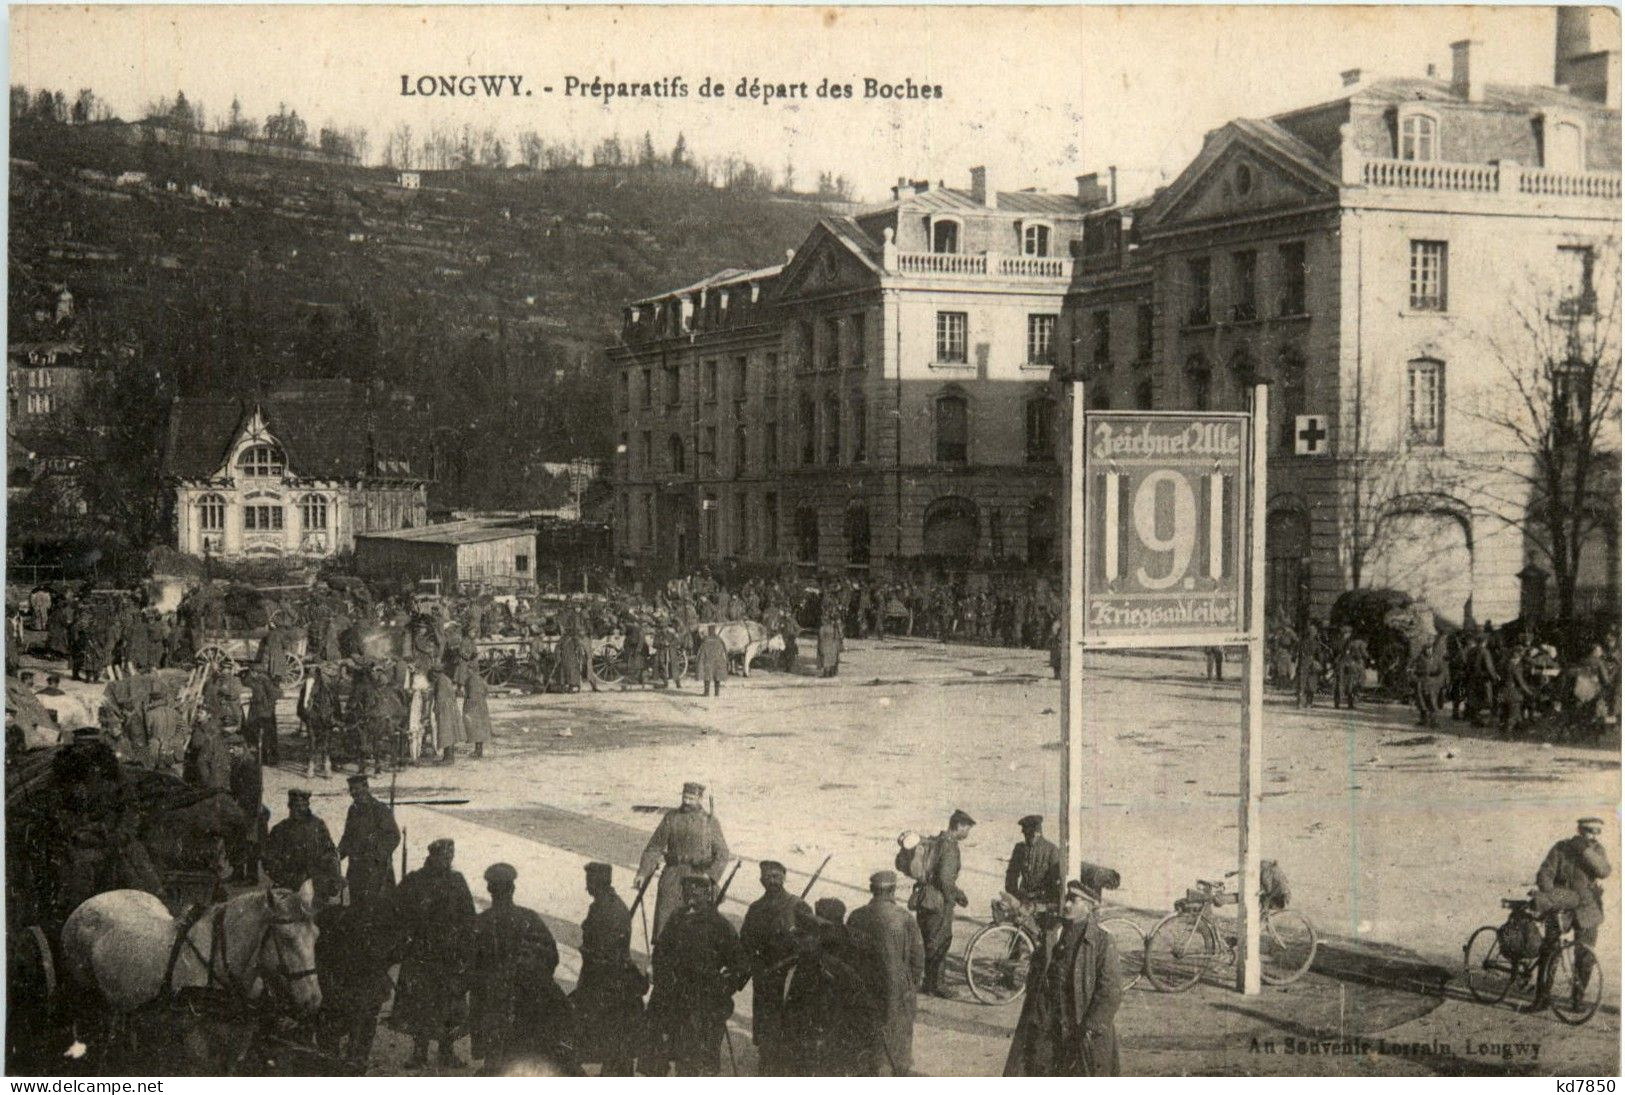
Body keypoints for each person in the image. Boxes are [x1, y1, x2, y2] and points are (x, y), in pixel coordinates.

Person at [1003, 871, 1123, 1076]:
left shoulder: (1103, 942)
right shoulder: (1054, 932)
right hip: (1048, 1027)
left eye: (1074, 900)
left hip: (1081, 1030)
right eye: (1067, 898)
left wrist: (1092, 1027)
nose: (1067, 904)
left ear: (1089, 905)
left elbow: (1110, 991)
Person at [469, 862, 575, 1075]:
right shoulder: (529, 918)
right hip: (526, 1003)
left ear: (490, 889)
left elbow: (470, 966)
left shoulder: (481, 923)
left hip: (492, 1002)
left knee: (494, 1059)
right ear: (513, 888)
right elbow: (550, 957)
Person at [391, 838, 477, 1070]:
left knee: (448, 1004)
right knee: (419, 1003)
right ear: (433, 856)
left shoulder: (457, 881)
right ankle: (419, 1052)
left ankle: (447, 1052)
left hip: (449, 954)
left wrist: (466, 950)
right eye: (444, 857)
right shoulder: (416, 880)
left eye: (451, 857)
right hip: (421, 953)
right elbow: (396, 910)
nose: (448, 861)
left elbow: (469, 917)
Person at [645, 875, 743, 1076]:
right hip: (671, 995)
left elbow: (740, 965)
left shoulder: (719, 925)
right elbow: (661, 950)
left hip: (701, 1001)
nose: (690, 895)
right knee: (660, 1052)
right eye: (686, 890)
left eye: (696, 891)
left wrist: (723, 988)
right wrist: (660, 973)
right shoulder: (677, 917)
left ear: (707, 895)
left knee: (693, 1059)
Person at [781, 898, 875, 1076]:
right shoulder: (858, 941)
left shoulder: (817, 953)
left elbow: (796, 1000)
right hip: (849, 1029)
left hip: (827, 1032)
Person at [844, 870, 924, 1075]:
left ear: (872, 890)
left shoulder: (856, 916)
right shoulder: (905, 918)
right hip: (897, 985)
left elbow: (848, 954)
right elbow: (918, 957)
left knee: (868, 1034)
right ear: (893, 891)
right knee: (897, 1036)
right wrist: (910, 984)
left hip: (865, 984)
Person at [1528, 817, 1611, 1013]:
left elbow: (1604, 871)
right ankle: (1542, 998)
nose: (1593, 835)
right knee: (1549, 950)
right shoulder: (1561, 847)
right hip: (1560, 905)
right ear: (1579, 829)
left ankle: (1577, 1000)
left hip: (1588, 908)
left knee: (1585, 956)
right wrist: (1551, 893)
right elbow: (1545, 872)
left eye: (1597, 832)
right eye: (1589, 830)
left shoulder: (1597, 851)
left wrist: (1584, 850)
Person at [571, 862, 646, 1076]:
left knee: (603, 1039)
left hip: (606, 984)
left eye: (589, 883)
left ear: (597, 883)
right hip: (611, 981)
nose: (587, 888)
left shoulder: (606, 909)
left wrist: (588, 952)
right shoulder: (608, 905)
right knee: (615, 1048)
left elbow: (605, 952)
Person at [738, 861, 810, 1075]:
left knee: (790, 1025)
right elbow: (746, 944)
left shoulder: (798, 906)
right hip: (765, 978)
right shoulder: (755, 909)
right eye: (768, 877)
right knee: (766, 1026)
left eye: (777, 876)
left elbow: (811, 943)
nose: (773, 881)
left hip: (791, 978)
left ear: (785, 877)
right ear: (761, 881)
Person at [635, 780, 731, 940]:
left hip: (698, 878)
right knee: (665, 920)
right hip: (673, 875)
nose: (686, 801)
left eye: (691, 798)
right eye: (685, 797)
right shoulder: (671, 818)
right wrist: (642, 872)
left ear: (700, 799)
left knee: (697, 925)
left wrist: (711, 875)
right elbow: (654, 847)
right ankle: (661, 956)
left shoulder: (710, 822)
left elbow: (722, 853)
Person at [315, 895, 399, 1073]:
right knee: (348, 1021)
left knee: (364, 1019)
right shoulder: (334, 918)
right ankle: (346, 1060)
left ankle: (355, 1060)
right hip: (347, 983)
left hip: (364, 980)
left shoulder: (380, 917)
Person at [916, 809, 973, 997]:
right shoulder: (950, 846)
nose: (967, 833)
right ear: (959, 826)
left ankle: (928, 983)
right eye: (967, 828)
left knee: (928, 941)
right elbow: (945, 879)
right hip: (938, 902)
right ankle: (938, 985)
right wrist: (958, 896)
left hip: (924, 899)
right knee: (941, 942)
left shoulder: (937, 840)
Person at [263, 788, 341, 901]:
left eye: (303, 805)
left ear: (308, 805)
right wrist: (289, 879)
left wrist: (330, 879)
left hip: (316, 884)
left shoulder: (318, 825)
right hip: (289, 885)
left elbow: (330, 851)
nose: (299, 809)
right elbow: (269, 860)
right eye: (295, 806)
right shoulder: (280, 829)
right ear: (289, 806)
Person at [337, 773, 399, 909]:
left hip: (377, 872)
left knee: (378, 911)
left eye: (356, 789)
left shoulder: (380, 809)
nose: (353, 793)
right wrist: (337, 854)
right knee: (357, 910)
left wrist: (377, 855)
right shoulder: (353, 810)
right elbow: (347, 837)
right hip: (356, 870)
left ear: (366, 787)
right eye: (351, 790)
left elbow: (393, 836)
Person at [1005, 814, 1062, 907]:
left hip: (1043, 901)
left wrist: (1048, 903)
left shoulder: (1052, 850)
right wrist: (1014, 896)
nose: (1026, 838)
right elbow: (1011, 874)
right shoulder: (1020, 848)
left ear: (1037, 833)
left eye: (1028, 835)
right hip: (1023, 899)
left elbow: (1055, 881)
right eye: (1025, 835)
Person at [297, 662, 340, 779]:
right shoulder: (311, 679)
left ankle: (327, 765)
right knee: (304, 691)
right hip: (314, 674)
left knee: (333, 694)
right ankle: (311, 765)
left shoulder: (327, 677)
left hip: (325, 671)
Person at [452, 651, 492, 760]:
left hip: (474, 707)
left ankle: (478, 751)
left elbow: (470, 695)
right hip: (482, 706)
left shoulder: (471, 680)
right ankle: (479, 750)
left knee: (475, 728)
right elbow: (486, 690)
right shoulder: (480, 679)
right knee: (480, 729)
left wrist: (468, 705)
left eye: (468, 669)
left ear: (471, 669)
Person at [242, 665, 281, 767]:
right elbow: (246, 682)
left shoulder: (265, 681)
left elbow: (277, 694)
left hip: (265, 713)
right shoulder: (254, 680)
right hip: (257, 711)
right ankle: (260, 758)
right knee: (255, 734)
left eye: (252, 672)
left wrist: (267, 704)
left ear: (256, 672)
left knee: (267, 736)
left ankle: (269, 759)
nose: (251, 674)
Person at [1412, 634, 1451, 728]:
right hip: (1421, 683)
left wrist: (1434, 674)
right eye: (1427, 649)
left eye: (1430, 649)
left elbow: (1441, 670)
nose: (1429, 651)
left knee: (1432, 703)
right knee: (1421, 702)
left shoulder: (1436, 659)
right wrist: (1417, 675)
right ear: (1424, 649)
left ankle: (1434, 721)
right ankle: (1423, 719)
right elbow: (1413, 669)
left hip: (1432, 684)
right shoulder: (1419, 658)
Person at [430, 666, 464, 764]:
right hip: (451, 708)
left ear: (435, 673)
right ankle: (449, 757)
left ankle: (448, 758)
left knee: (446, 732)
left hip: (445, 710)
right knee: (450, 733)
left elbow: (440, 698)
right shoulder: (445, 679)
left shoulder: (441, 682)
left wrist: (435, 709)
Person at [1333, 626, 1367, 710]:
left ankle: (1337, 703)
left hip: (1339, 665)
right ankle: (1350, 703)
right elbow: (1357, 654)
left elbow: (1334, 653)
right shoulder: (1352, 643)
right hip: (1349, 665)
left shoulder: (1337, 642)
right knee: (1351, 683)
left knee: (1339, 683)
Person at [697, 624, 728, 699]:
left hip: (708, 660)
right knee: (717, 676)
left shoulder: (705, 639)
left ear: (708, 631)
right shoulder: (719, 639)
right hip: (718, 660)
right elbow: (724, 650)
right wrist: (725, 659)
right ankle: (716, 693)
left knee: (707, 676)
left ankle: (706, 692)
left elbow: (701, 651)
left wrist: (699, 660)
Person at [1295, 622, 1321, 708]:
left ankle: (1300, 703)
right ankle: (1309, 703)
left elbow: (1298, 653)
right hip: (1312, 663)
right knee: (1311, 683)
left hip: (1303, 663)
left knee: (1302, 684)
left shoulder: (1302, 641)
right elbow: (1319, 655)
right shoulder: (1317, 643)